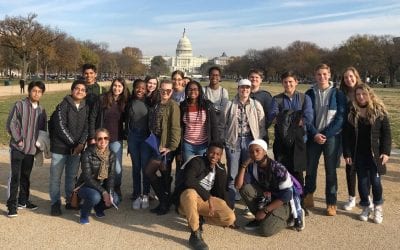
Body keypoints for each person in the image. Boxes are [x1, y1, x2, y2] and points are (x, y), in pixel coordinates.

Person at [343, 83, 391, 224]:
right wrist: (347, 153)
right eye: (358, 94)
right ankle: (366, 206)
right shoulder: (352, 112)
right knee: (363, 183)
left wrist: (385, 152)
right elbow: (346, 136)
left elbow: (386, 134)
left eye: (363, 94)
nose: (361, 97)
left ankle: (378, 207)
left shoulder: (379, 111)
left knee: (375, 182)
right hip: (358, 154)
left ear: (369, 94)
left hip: (375, 155)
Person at [303, 64, 347, 216]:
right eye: (319, 74)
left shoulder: (337, 93)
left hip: (331, 137)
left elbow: (340, 118)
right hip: (313, 136)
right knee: (310, 168)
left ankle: (331, 202)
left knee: (331, 171)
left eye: (324, 74)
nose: (322, 77)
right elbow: (307, 117)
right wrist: (315, 134)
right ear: (315, 76)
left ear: (329, 75)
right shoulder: (309, 93)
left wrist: (326, 134)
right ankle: (308, 195)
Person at [174, 142, 236, 250]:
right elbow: (189, 180)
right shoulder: (197, 161)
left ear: (221, 156)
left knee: (229, 217)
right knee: (191, 193)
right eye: (212, 152)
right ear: (206, 152)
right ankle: (195, 234)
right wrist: (208, 196)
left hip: (203, 201)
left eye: (218, 154)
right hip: (186, 200)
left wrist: (230, 208)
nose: (214, 156)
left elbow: (223, 191)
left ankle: (199, 217)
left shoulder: (220, 169)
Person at [219, 79, 265, 205]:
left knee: (249, 172)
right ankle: (231, 202)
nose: (244, 90)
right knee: (233, 173)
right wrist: (224, 139)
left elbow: (261, 125)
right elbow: (222, 124)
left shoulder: (256, 104)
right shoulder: (229, 105)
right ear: (238, 88)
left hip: (250, 141)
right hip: (233, 141)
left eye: (247, 88)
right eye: (242, 88)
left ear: (250, 90)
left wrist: (259, 141)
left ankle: (249, 202)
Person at [235, 139, 293, 237]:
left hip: (281, 203)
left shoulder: (278, 169)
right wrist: (244, 166)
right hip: (266, 198)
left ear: (265, 151)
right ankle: (262, 219)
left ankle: (287, 219)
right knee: (245, 189)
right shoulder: (253, 166)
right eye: (251, 152)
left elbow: (287, 195)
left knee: (265, 231)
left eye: (258, 150)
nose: (254, 154)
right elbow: (238, 186)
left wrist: (265, 210)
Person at [6, 80, 47, 217]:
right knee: (15, 177)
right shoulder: (19, 105)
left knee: (26, 176)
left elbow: (43, 130)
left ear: (42, 94)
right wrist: (18, 140)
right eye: (34, 90)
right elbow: (11, 124)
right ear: (29, 91)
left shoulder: (42, 111)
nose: (36, 93)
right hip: (18, 148)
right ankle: (12, 205)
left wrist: (40, 144)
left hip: (31, 150)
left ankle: (23, 200)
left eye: (39, 92)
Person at [49, 79, 89, 216]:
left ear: (85, 93)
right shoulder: (63, 105)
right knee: (56, 177)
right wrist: (74, 144)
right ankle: (55, 203)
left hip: (76, 149)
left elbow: (87, 128)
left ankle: (69, 200)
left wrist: (81, 143)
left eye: (83, 90)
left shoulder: (85, 107)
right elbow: (60, 127)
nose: (79, 91)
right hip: (60, 148)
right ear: (72, 90)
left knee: (71, 177)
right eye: (77, 88)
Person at [268, 70, 313, 188]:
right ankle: (284, 200)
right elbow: (273, 117)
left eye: (290, 81)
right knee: (281, 171)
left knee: (297, 172)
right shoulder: (277, 99)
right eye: (285, 82)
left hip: (298, 141)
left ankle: (299, 200)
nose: (288, 84)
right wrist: (295, 117)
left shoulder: (304, 98)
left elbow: (307, 117)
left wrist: (285, 117)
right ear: (282, 83)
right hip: (281, 141)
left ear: (296, 82)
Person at [89, 77, 129, 200]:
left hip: (116, 138)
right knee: (100, 164)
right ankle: (101, 189)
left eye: (120, 86)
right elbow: (92, 117)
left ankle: (116, 187)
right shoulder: (102, 98)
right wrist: (92, 136)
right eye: (115, 85)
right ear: (112, 86)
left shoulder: (124, 101)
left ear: (123, 88)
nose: (117, 88)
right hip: (102, 138)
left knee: (116, 167)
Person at [144, 79, 181, 215]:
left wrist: (171, 147)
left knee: (149, 171)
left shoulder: (173, 106)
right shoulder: (157, 104)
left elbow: (176, 128)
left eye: (168, 90)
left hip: (165, 144)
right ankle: (164, 202)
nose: (165, 92)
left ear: (172, 91)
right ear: (159, 90)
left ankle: (165, 201)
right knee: (164, 174)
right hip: (155, 142)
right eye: (162, 90)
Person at [77, 128, 120, 224]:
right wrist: (104, 192)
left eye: (106, 138)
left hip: (102, 184)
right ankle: (84, 214)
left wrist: (110, 193)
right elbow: (87, 178)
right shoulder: (87, 153)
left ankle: (98, 208)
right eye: (99, 138)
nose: (103, 141)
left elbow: (111, 176)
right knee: (95, 197)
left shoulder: (111, 154)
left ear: (109, 139)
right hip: (86, 185)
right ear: (95, 140)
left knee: (115, 199)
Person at [339, 67, 367, 211]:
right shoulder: (342, 94)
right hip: (348, 133)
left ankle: (366, 198)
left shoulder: (363, 91)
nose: (348, 79)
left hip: (363, 134)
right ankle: (351, 198)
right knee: (350, 167)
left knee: (365, 168)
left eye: (350, 76)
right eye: (345, 77)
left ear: (356, 76)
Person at [126, 79, 152, 210]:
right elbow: (126, 121)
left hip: (146, 137)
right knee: (136, 167)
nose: (140, 90)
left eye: (143, 88)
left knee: (145, 167)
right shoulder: (129, 103)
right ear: (134, 88)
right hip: (133, 136)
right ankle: (136, 194)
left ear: (146, 90)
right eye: (137, 88)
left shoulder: (150, 102)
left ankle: (146, 193)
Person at [180, 80, 219, 163]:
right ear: (186, 91)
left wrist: (216, 143)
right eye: (190, 89)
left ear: (199, 91)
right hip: (188, 144)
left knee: (202, 168)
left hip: (203, 145)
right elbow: (180, 126)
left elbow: (214, 125)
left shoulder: (207, 105)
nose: (192, 91)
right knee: (189, 167)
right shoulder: (183, 106)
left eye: (195, 89)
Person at [248, 69, 273, 144]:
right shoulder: (243, 93)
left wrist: (262, 128)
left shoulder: (266, 96)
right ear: (248, 78)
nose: (254, 79)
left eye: (257, 77)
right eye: (252, 77)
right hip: (245, 133)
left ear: (261, 79)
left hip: (260, 133)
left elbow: (270, 116)